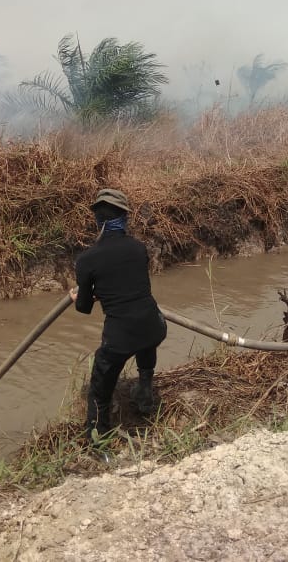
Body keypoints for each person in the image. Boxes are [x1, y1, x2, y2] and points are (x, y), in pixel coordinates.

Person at [70, 188, 167, 442]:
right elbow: (130, 284)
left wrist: (77, 296)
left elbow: (83, 307)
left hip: (120, 337)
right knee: (145, 336)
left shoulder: (87, 260)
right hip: (155, 326)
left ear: (97, 221)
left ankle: (97, 438)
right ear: (125, 218)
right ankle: (144, 394)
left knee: (99, 388)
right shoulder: (138, 248)